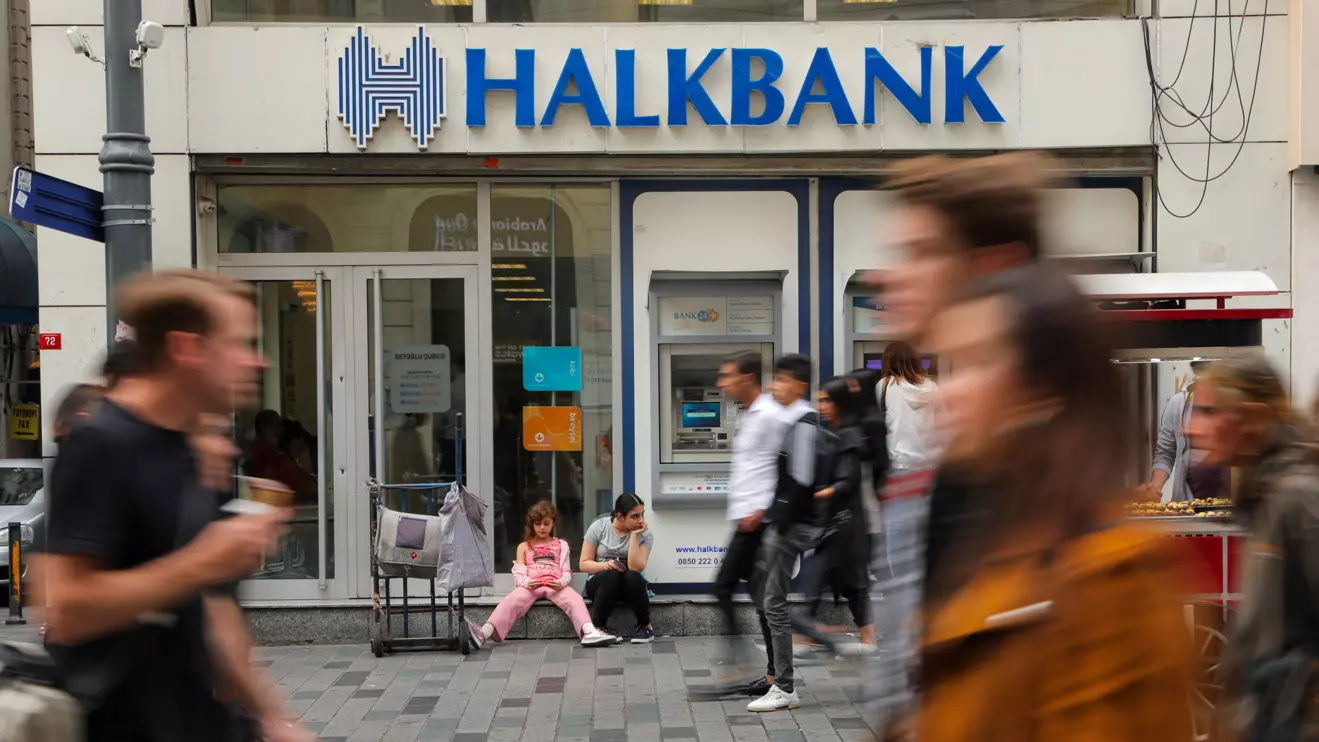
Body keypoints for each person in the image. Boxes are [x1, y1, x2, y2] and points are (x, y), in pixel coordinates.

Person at [912, 263, 1194, 742]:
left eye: (977, 363)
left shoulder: (1112, 579)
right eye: (949, 366)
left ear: (1041, 387)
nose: (948, 394)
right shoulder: (1004, 534)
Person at [38, 269, 309, 742]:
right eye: (241, 344)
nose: (259, 361)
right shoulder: (100, 445)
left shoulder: (197, 451)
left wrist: (275, 719)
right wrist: (205, 560)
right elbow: (67, 609)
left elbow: (214, 607)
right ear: (187, 349)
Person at [872, 152, 1055, 726]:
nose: (888, 276)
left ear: (994, 263)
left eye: (920, 252)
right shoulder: (952, 476)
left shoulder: (1038, 498)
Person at [1185, 356, 1319, 741]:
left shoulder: (1295, 497)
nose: (1190, 427)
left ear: (1253, 418)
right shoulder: (1264, 497)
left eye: (1209, 412)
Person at [749, 353, 821, 713]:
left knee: (773, 603)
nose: (775, 386)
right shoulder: (795, 420)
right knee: (770, 600)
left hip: (791, 527)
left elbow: (802, 479)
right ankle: (783, 678)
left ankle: (784, 686)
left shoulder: (803, 423)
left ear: (799, 385)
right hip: (790, 524)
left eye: (781, 379)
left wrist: (777, 518)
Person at [707, 350, 781, 696]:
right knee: (760, 595)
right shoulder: (748, 415)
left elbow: (783, 466)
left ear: (747, 378)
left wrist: (762, 509)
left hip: (758, 521)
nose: (721, 383)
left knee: (724, 587)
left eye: (728, 376)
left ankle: (743, 667)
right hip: (746, 519)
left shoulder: (769, 416)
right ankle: (771, 674)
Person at [467, 501, 615, 649]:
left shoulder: (562, 545)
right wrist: (527, 582)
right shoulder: (524, 546)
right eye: (538, 524)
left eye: (546, 523)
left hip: (555, 585)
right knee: (511, 600)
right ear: (532, 524)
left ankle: (589, 631)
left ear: (553, 523)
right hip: (531, 585)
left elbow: (566, 571)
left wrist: (561, 582)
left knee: (575, 599)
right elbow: (518, 573)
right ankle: (484, 633)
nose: (542, 527)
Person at [797, 377, 873, 653]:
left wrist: (814, 496)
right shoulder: (835, 432)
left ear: (841, 401)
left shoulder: (849, 434)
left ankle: (867, 640)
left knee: (851, 583)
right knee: (821, 578)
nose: (822, 406)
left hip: (847, 524)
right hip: (835, 522)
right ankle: (809, 637)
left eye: (827, 400)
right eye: (819, 401)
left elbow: (847, 481)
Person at [1144, 361, 1227, 502]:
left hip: (1224, 503)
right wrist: (1155, 488)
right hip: (1184, 504)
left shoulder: (1229, 404)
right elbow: (1165, 453)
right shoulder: (1178, 403)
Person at [580, 493, 654, 644]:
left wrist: (634, 536)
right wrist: (605, 565)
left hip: (629, 586)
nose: (641, 520)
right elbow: (584, 564)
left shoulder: (645, 534)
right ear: (620, 516)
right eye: (635, 516)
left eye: (642, 514)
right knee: (611, 574)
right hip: (602, 584)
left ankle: (645, 627)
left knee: (632, 576)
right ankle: (599, 627)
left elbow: (635, 568)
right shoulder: (599, 527)